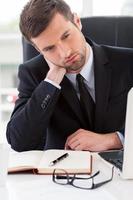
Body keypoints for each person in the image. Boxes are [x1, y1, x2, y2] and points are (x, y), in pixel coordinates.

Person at [6, 0, 133, 152]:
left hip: (121, 170)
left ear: (77, 22)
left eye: (66, 36)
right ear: (38, 49)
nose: (65, 53)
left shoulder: (127, 62)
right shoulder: (33, 73)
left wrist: (116, 139)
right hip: (64, 172)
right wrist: (51, 83)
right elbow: (19, 141)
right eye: (49, 48)